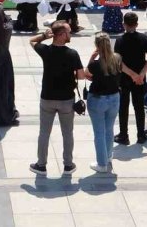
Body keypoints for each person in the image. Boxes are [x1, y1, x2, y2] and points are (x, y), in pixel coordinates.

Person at [28, 21, 87, 177]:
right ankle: (68, 165)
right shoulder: (72, 54)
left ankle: (41, 165)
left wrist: (44, 36)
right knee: (67, 133)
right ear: (61, 35)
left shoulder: (45, 50)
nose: (70, 34)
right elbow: (81, 76)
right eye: (68, 32)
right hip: (66, 99)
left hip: (47, 98)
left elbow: (32, 41)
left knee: (44, 133)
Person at [114, 12, 147, 145]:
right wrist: (141, 74)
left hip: (124, 78)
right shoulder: (144, 38)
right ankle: (141, 134)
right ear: (137, 24)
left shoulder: (120, 40)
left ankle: (124, 135)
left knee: (123, 107)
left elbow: (118, 62)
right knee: (139, 107)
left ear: (124, 24)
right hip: (139, 79)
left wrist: (131, 74)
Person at [86, 33, 123, 173]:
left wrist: (91, 57)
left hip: (97, 99)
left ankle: (101, 164)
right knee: (109, 129)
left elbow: (86, 74)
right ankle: (108, 157)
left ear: (97, 46)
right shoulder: (117, 59)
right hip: (114, 97)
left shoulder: (96, 64)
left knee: (99, 132)